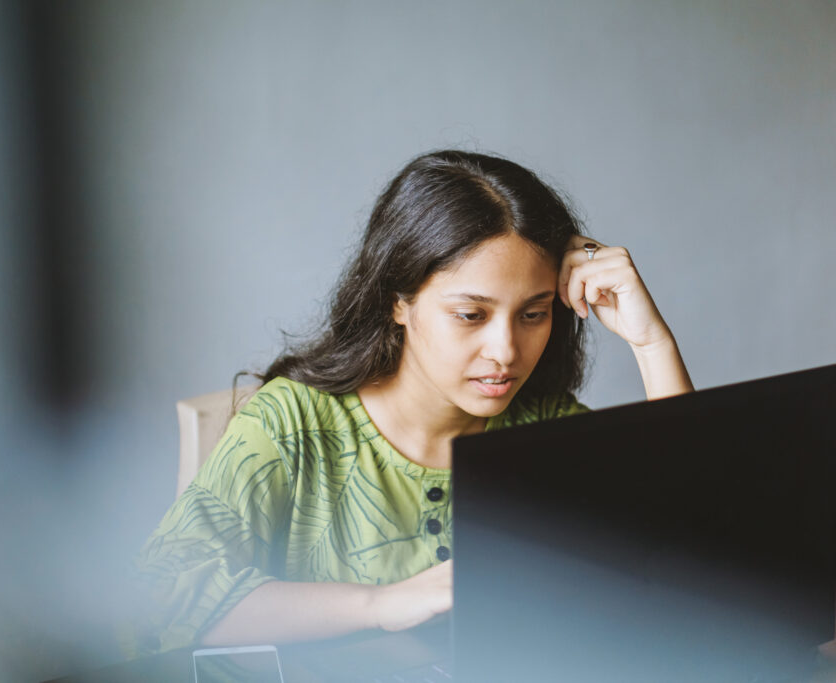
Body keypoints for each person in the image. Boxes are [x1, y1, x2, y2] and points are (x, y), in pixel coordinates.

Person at [131, 150, 693, 655]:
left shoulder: (542, 426)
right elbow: (164, 593)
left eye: (534, 313)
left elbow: (695, 560)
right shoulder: (292, 425)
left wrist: (652, 344)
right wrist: (383, 605)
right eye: (471, 314)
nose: (506, 351)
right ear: (398, 302)